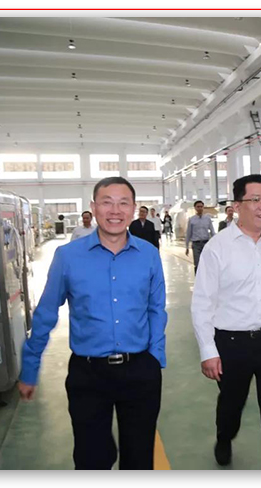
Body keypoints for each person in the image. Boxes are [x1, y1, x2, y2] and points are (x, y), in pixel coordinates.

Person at [18, 176, 168, 470]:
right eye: (106, 203)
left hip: (140, 370)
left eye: (123, 203)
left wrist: (155, 358)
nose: (115, 211)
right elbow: (46, 312)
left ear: (134, 208)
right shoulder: (68, 256)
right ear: (93, 207)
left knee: (139, 459)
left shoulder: (149, 255)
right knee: (91, 460)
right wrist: (30, 367)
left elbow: (156, 309)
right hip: (88, 374)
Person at [191, 174, 261, 470]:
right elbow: (202, 302)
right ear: (238, 205)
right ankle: (224, 437)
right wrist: (208, 351)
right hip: (232, 344)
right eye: (256, 200)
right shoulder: (218, 247)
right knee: (231, 404)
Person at [185, 200, 215, 271]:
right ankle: (198, 277)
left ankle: (207, 277)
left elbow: (212, 231)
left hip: (206, 244)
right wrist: (187, 247)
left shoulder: (207, 219)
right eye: (198, 207)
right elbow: (188, 233)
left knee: (207, 263)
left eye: (201, 206)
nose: (200, 208)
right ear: (195, 208)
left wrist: (215, 243)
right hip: (196, 245)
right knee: (197, 263)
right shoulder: (191, 220)